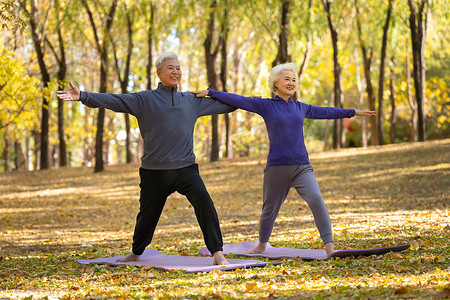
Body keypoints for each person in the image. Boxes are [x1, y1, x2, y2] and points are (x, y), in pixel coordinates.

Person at [56, 52, 235, 265]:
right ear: (159, 73)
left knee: (204, 200)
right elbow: (115, 100)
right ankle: (136, 252)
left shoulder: (191, 101)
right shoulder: (144, 99)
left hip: (185, 168)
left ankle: (217, 253)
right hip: (154, 171)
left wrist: (247, 101)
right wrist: (83, 96)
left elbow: (229, 104)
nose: (175, 71)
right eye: (170, 68)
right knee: (147, 215)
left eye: (178, 68)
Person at [189, 62, 375, 257]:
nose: (291, 83)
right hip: (276, 168)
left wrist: (353, 112)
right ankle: (262, 245)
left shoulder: (301, 108)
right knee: (269, 210)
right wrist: (210, 92)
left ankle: (330, 248)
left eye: (294, 80)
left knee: (316, 199)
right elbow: (238, 99)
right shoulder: (265, 105)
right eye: (287, 79)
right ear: (275, 83)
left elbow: (327, 111)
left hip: (302, 167)